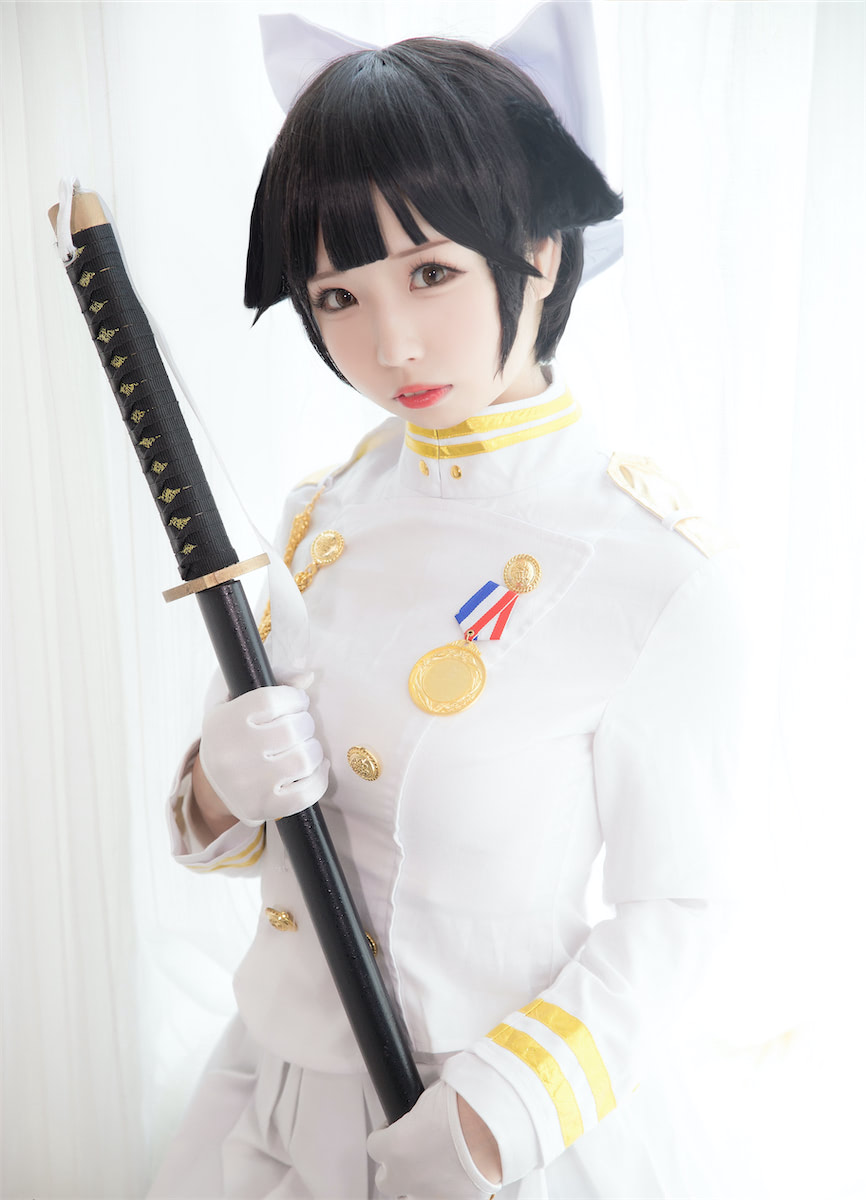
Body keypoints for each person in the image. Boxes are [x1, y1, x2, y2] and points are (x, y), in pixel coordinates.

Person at [149, 26, 746, 1200]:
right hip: (267, 1102)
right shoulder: (321, 514)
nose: (391, 345)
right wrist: (217, 781)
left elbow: (678, 909)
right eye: (338, 295)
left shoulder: (652, 571)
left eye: (429, 273)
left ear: (536, 250)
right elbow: (236, 833)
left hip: (482, 1124)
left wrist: (491, 1120)